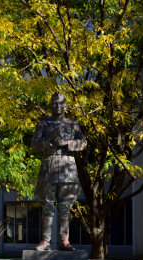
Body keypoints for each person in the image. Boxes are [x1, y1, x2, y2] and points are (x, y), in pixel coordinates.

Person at [32, 92, 87, 251]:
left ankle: (64, 241)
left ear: (65, 105)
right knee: (47, 205)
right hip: (49, 166)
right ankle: (45, 241)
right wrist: (49, 141)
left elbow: (83, 143)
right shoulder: (43, 124)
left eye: (61, 103)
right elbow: (34, 144)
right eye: (54, 103)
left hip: (67, 167)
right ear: (50, 106)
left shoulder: (73, 124)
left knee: (65, 206)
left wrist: (67, 143)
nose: (58, 106)